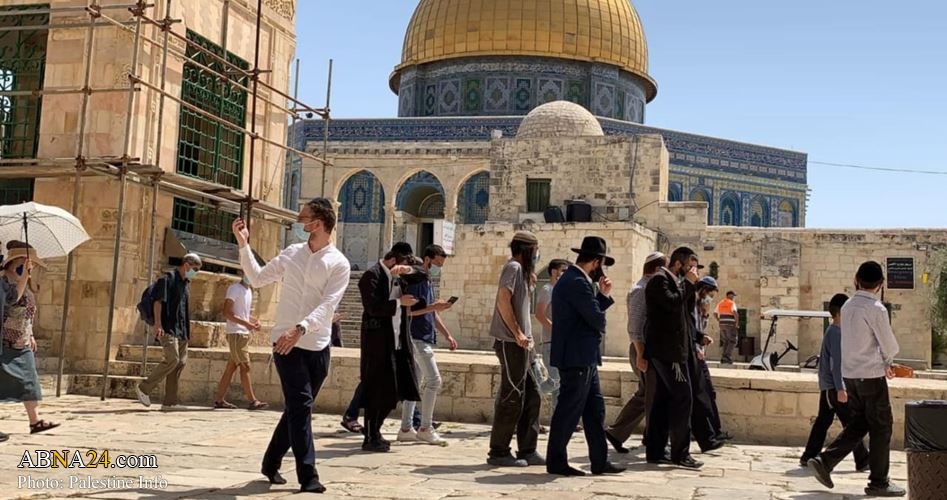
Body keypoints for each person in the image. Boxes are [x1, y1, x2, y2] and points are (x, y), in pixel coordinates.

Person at [233, 197, 351, 494]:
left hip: (317, 344)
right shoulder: (292, 253)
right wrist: (243, 244)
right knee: (302, 406)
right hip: (285, 344)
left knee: (297, 409)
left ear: (320, 223)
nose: (300, 223)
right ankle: (308, 475)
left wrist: (302, 328)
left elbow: (328, 305)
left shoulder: (339, 263)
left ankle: (270, 462)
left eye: (304, 218)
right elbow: (257, 279)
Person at [808, 261, 905, 497]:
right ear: (880, 284)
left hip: (850, 375)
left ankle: (825, 461)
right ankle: (879, 481)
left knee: (861, 423)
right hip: (870, 375)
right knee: (882, 427)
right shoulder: (876, 308)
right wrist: (888, 360)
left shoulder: (848, 306)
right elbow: (889, 344)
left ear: (856, 280)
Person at [545, 236, 624, 477]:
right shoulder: (577, 282)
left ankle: (599, 461)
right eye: (602, 263)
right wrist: (603, 296)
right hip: (577, 357)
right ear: (596, 261)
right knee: (569, 410)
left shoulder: (574, 280)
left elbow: (588, 314)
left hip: (583, 356)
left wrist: (601, 295)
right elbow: (596, 319)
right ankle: (556, 461)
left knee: (594, 410)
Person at [358, 242, 423, 452]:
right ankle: (370, 435)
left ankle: (376, 431)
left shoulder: (400, 274)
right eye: (403, 263)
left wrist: (408, 269)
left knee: (394, 391)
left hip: (397, 341)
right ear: (393, 259)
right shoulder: (372, 276)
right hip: (378, 343)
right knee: (375, 390)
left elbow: (424, 275)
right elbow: (373, 307)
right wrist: (398, 303)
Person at [486, 231, 544, 468]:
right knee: (512, 397)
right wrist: (517, 333)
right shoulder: (513, 268)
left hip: (523, 345)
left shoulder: (524, 273)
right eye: (536, 249)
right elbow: (502, 300)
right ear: (527, 249)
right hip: (510, 343)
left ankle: (528, 449)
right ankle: (499, 451)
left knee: (532, 396)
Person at [643, 246, 702, 469]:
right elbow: (671, 304)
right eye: (689, 266)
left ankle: (656, 451)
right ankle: (680, 453)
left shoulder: (670, 280)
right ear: (678, 264)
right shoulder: (660, 280)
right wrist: (687, 283)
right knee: (682, 399)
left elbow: (681, 313)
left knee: (663, 401)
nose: (691, 271)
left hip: (671, 351)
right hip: (668, 353)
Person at [799, 293, 869, 471]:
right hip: (834, 388)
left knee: (823, 421)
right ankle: (862, 460)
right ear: (840, 313)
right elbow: (836, 364)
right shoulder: (836, 333)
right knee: (853, 425)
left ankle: (809, 455)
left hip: (828, 386)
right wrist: (841, 388)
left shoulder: (833, 331)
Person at [605, 251, 665, 453]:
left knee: (645, 394)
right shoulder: (641, 290)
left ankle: (616, 433)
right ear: (657, 269)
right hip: (642, 348)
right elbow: (635, 326)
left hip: (647, 349)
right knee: (652, 395)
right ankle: (648, 438)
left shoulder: (650, 288)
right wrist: (641, 354)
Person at [398, 244, 456, 445]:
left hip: (424, 335)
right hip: (415, 336)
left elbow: (431, 311)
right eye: (438, 263)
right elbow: (409, 312)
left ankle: (406, 428)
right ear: (428, 259)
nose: (439, 267)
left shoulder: (427, 280)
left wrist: (447, 335)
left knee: (415, 383)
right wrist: (434, 307)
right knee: (434, 381)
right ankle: (425, 427)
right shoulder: (417, 279)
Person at [0, 242, 59, 435]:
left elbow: (28, 312)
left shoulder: (24, 281)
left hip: (23, 341)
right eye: (25, 262)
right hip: (6, 341)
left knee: (30, 380)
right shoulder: (5, 281)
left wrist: (31, 333)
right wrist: (24, 275)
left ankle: (35, 421)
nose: (28, 265)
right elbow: (13, 300)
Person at [135, 253, 202, 411]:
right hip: (167, 327)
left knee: (180, 362)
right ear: (186, 265)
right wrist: (157, 325)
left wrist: (186, 333)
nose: (196, 272)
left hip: (181, 329)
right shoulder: (167, 279)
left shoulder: (185, 282)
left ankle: (169, 402)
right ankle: (144, 388)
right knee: (173, 359)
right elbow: (158, 303)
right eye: (195, 269)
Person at [212, 271, 267, 411]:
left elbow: (244, 314)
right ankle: (252, 400)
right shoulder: (234, 289)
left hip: (243, 334)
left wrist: (254, 322)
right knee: (245, 366)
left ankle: (219, 399)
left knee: (231, 367)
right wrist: (245, 324)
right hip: (236, 333)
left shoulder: (249, 291)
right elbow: (227, 312)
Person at [687, 276, 726, 452]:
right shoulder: (690, 302)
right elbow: (692, 330)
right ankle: (709, 435)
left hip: (699, 354)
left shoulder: (700, 306)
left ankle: (713, 433)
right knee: (701, 395)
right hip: (693, 354)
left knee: (707, 393)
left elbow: (700, 327)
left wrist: (705, 312)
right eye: (710, 293)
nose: (710, 297)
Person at [535, 259, 569, 418]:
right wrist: (557, 331)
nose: (565, 273)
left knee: (560, 384)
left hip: (561, 343)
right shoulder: (548, 289)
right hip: (550, 342)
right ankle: (528, 398)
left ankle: (559, 419)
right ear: (554, 271)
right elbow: (540, 314)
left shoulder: (560, 291)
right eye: (563, 270)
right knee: (554, 380)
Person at [715, 291, 739, 364]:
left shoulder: (721, 303)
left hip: (722, 324)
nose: (734, 297)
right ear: (730, 296)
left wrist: (719, 320)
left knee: (726, 341)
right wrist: (737, 323)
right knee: (733, 340)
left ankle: (723, 358)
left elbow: (715, 313)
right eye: (733, 296)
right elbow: (735, 312)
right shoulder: (731, 303)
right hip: (730, 324)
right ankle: (727, 357)